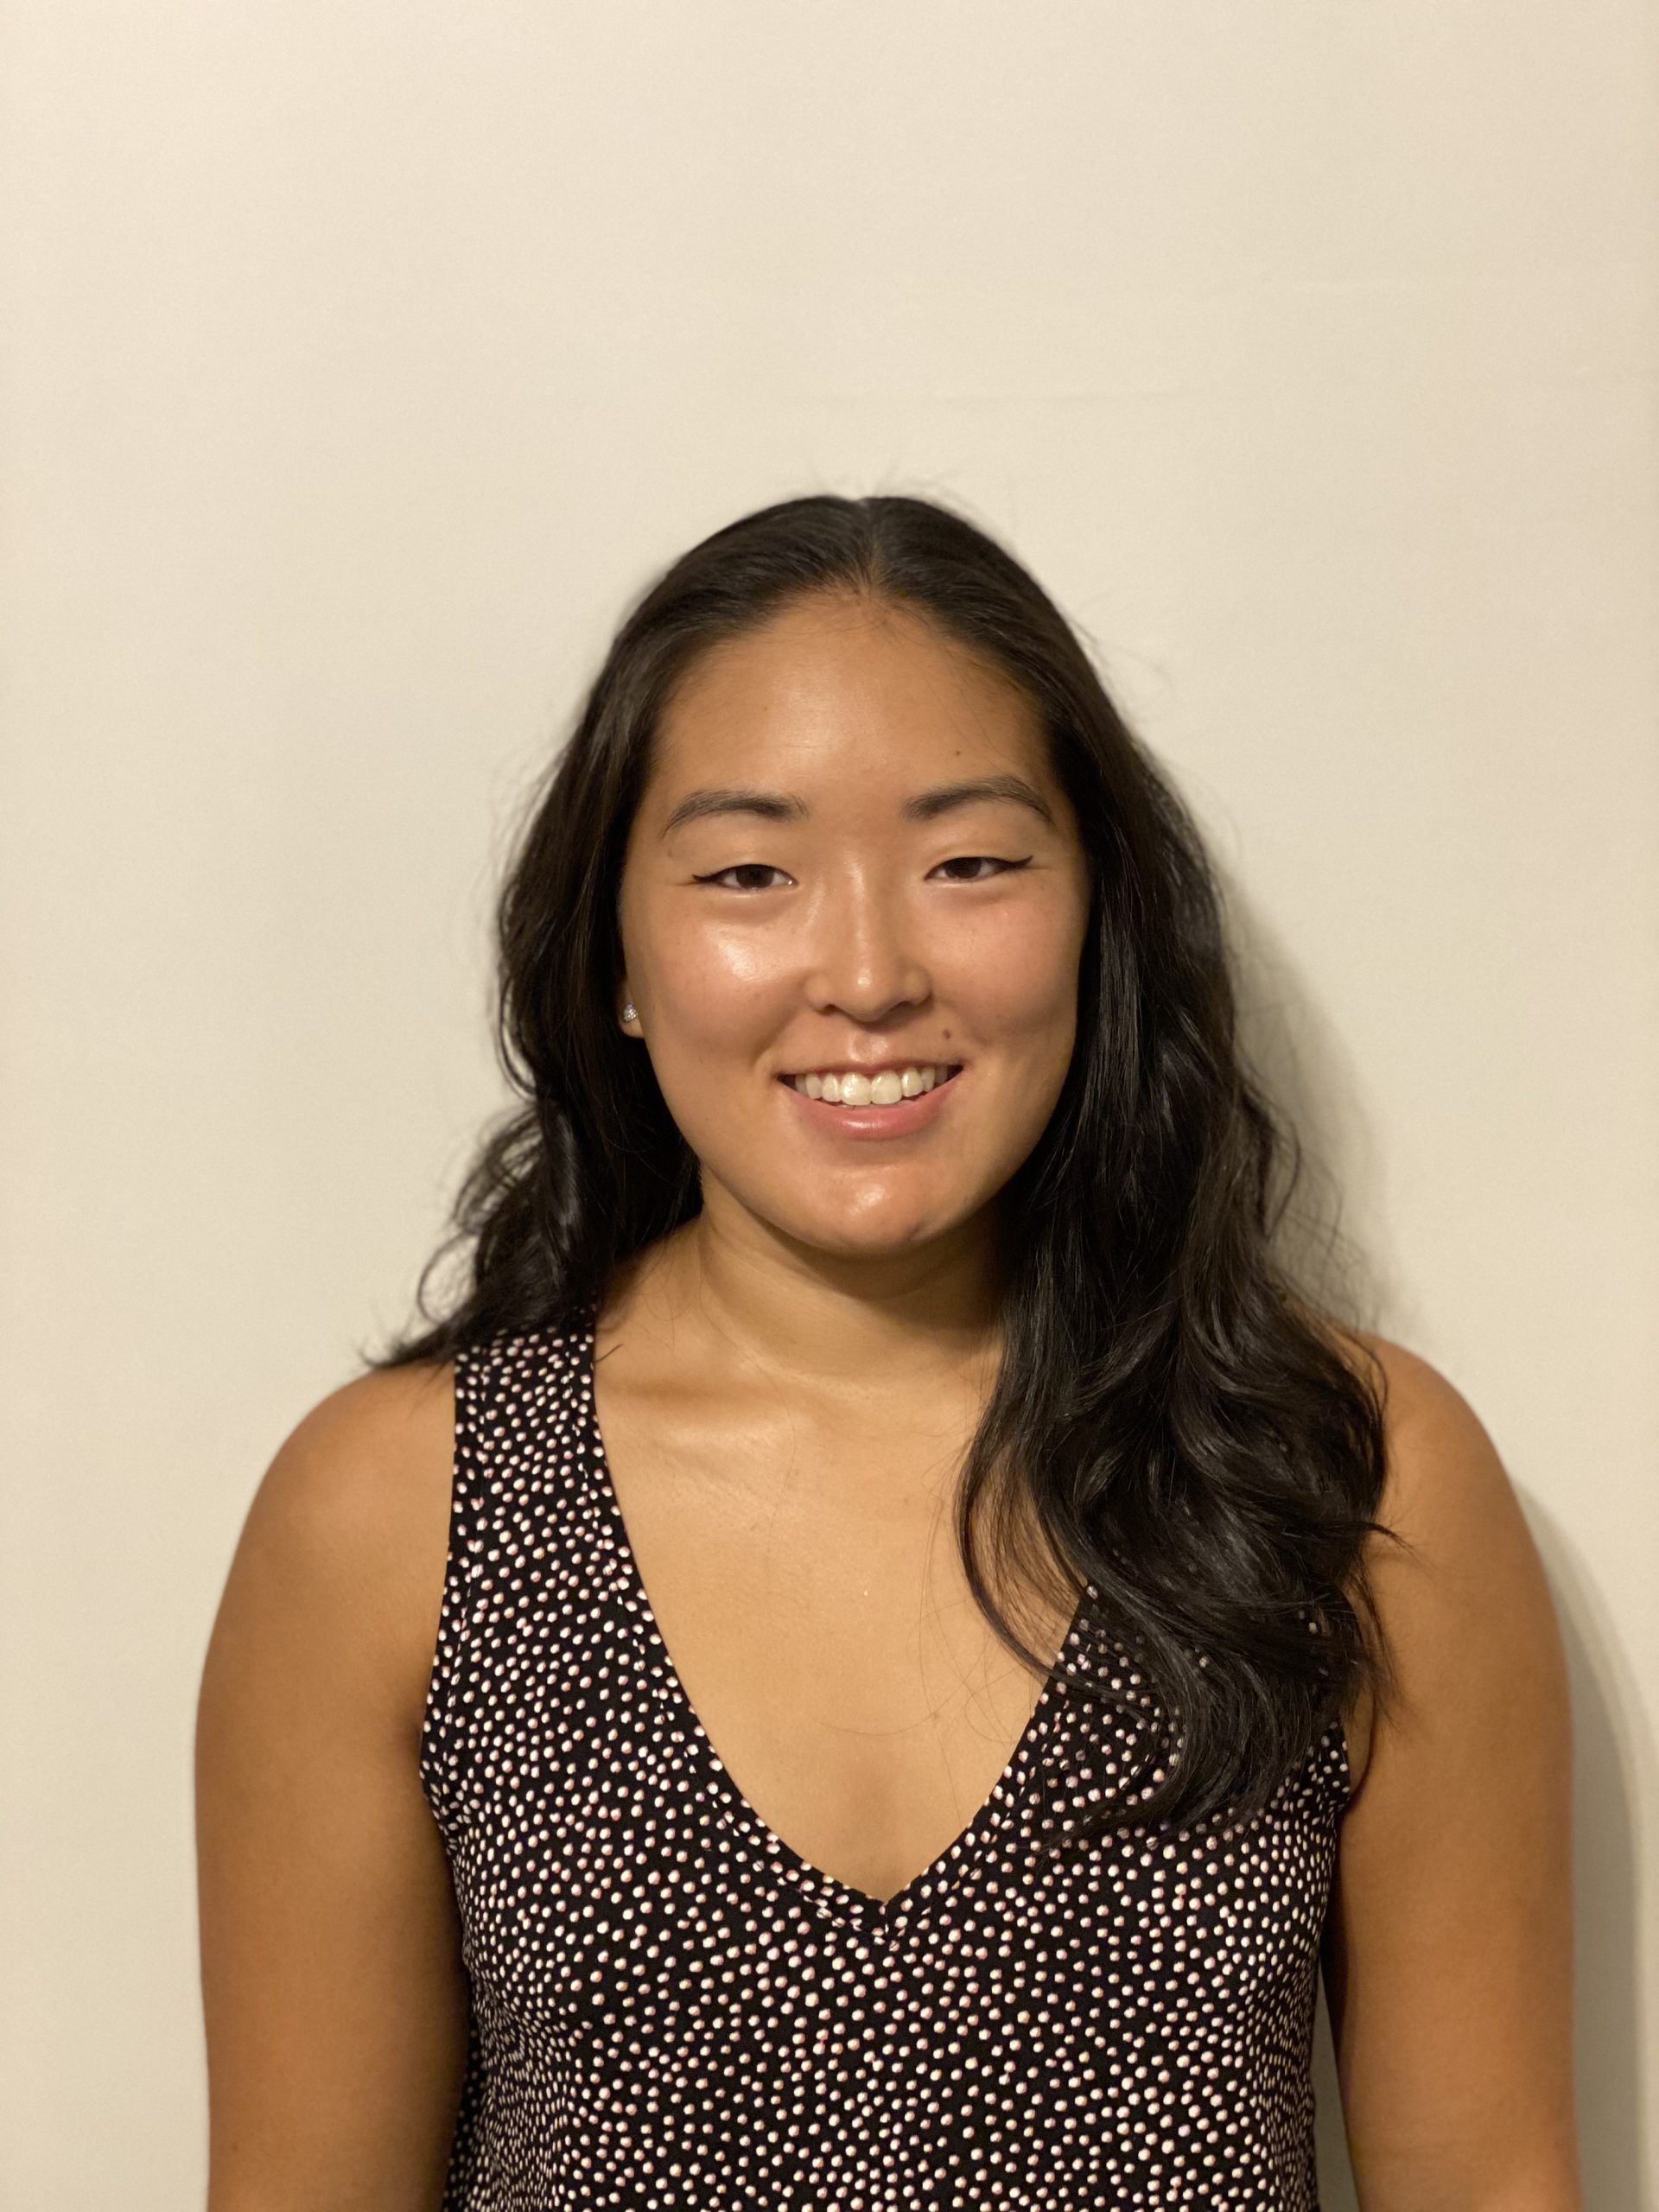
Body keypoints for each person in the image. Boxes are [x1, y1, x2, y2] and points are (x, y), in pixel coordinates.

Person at [194, 493, 1580, 2209]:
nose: (865, 972)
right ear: (617, 954)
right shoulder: (394, 1508)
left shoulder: (1356, 1479)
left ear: (1100, 917)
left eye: (970, 863)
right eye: (748, 873)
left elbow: (1493, 2177)